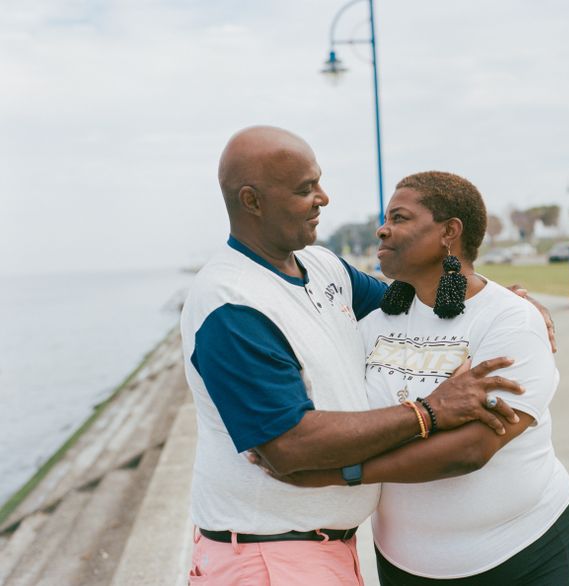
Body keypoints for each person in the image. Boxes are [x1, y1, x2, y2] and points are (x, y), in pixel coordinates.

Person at [180, 127, 544, 585]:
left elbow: (420, 303)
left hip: (322, 551)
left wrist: (507, 304)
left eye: (319, 182)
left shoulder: (321, 266)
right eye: (304, 189)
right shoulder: (231, 303)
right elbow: (289, 445)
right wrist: (430, 411)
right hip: (269, 558)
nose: (323, 198)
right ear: (251, 201)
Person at [262, 171, 569, 585]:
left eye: (400, 217)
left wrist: (340, 473)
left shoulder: (510, 321)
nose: (382, 228)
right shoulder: (372, 323)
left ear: (449, 232)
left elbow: (471, 449)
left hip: (520, 551)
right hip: (404, 562)